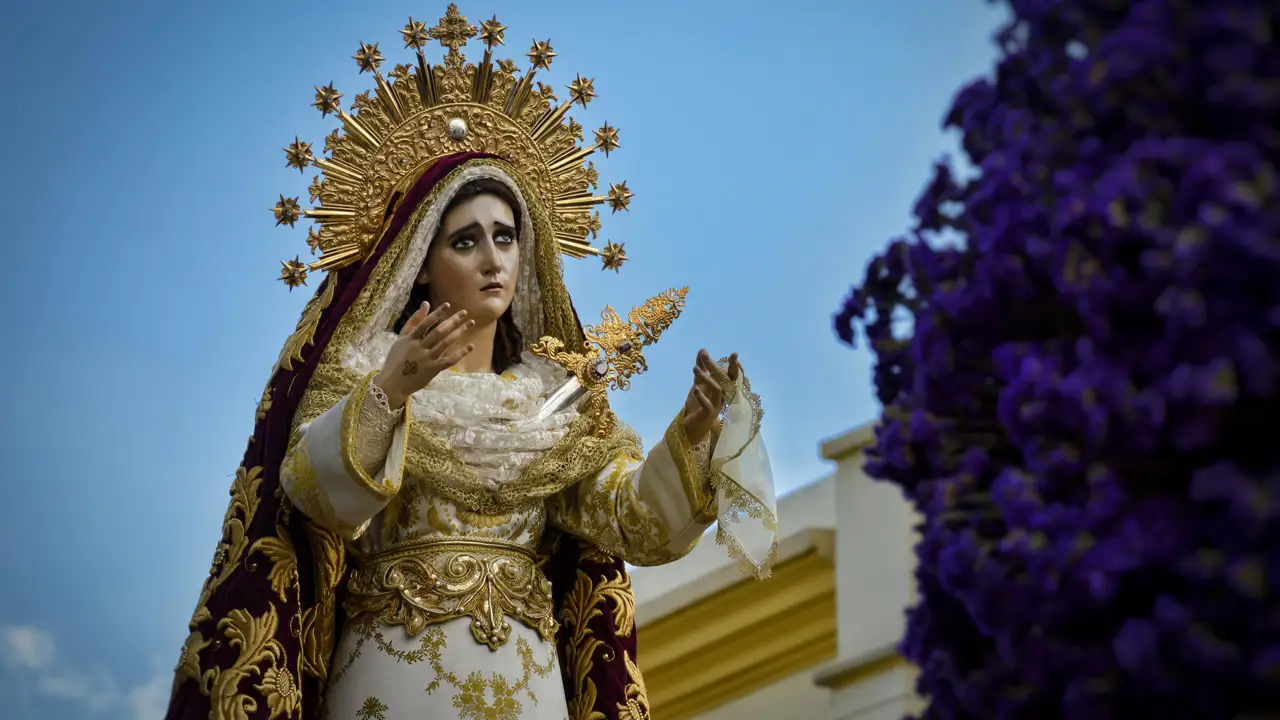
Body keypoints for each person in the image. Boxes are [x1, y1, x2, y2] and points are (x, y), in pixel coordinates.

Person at [167, 7, 775, 720]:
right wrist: (392, 390)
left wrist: (694, 437)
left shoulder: (557, 405)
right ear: (421, 264)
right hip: (391, 678)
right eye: (465, 241)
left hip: (527, 686)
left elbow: (636, 524)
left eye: (506, 237)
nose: (493, 259)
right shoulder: (364, 374)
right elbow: (310, 496)